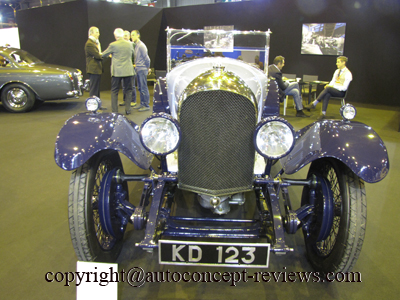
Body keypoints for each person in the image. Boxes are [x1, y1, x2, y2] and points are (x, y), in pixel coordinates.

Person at [102, 28, 135, 114]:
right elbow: (132, 54)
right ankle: (128, 110)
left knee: (114, 91)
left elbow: (103, 55)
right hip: (128, 71)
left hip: (117, 72)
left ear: (115, 35)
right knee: (129, 90)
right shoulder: (130, 44)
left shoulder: (113, 45)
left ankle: (115, 111)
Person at [131, 30, 151, 112]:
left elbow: (147, 58)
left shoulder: (141, 45)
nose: (131, 37)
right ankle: (142, 103)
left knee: (143, 87)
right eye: (131, 35)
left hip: (142, 69)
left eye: (133, 35)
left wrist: (147, 68)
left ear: (138, 35)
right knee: (140, 87)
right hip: (138, 69)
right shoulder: (136, 45)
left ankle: (146, 105)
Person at [119, 30, 137, 107]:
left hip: (131, 68)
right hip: (123, 68)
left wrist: (134, 64)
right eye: (124, 36)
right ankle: (125, 100)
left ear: (129, 36)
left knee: (131, 85)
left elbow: (135, 55)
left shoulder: (132, 45)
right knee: (123, 85)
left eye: (126, 35)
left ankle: (133, 100)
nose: (125, 37)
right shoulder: (121, 45)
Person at [85, 26, 102, 97]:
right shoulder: (89, 44)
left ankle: (97, 104)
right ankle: (93, 105)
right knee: (94, 89)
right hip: (93, 69)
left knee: (96, 89)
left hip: (96, 69)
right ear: (91, 33)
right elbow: (98, 56)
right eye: (97, 32)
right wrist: (106, 54)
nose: (99, 34)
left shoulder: (95, 43)